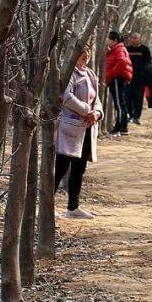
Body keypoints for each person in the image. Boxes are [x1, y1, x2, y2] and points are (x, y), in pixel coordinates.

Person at [56, 46, 104, 219]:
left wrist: (96, 113)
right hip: (71, 126)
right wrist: (86, 112)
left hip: (87, 128)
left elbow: (97, 100)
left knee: (79, 167)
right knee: (61, 167)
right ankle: (46, 206)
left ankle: (73, 207)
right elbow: (66, 96)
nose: (85, 56)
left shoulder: (91, 74)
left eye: (87, 54)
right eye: (82, 53)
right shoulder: (70, 72)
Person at [104, 30, 133, 135]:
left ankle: (119, 127)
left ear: (115, 40)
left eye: (110, 40)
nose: (108, 42)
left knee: (119, 104)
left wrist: (112, 74)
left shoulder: (118, 49)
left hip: (117, 79)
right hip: (118, 78)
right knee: (121, 103)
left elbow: (122, 62)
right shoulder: (118, 48)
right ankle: (123, 127)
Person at [125, 32, 152, 124]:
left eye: (136, 38)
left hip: (140, 79)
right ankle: (130, 115)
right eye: (133, 38)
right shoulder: (127, 49)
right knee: (128, 97)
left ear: (140, 39)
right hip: (129, 78)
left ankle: (137, 116)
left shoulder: (145, 49)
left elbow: (148, 63)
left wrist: (144, 71)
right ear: (130, 39)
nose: (134, 39)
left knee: (139, 98)